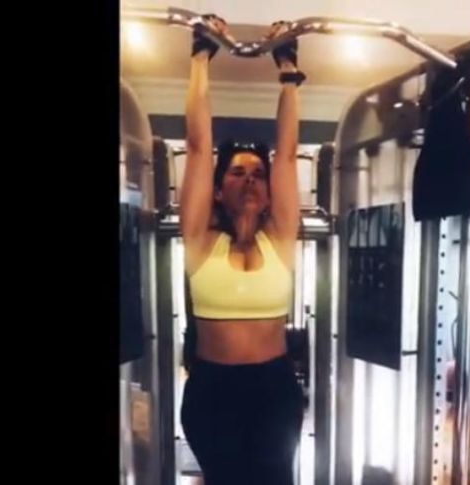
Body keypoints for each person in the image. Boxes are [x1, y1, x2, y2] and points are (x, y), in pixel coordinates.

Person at [178, 15, 307, 485]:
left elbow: (287, 155)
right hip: (213, 391)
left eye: (257, 174)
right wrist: (200, 57)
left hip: (274, 388)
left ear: (270, 192)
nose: (250, 179)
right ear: (217, 190)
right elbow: (198, 148)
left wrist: (287, 69)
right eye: (236, 172)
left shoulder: (281, 240)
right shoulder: (200, 240)